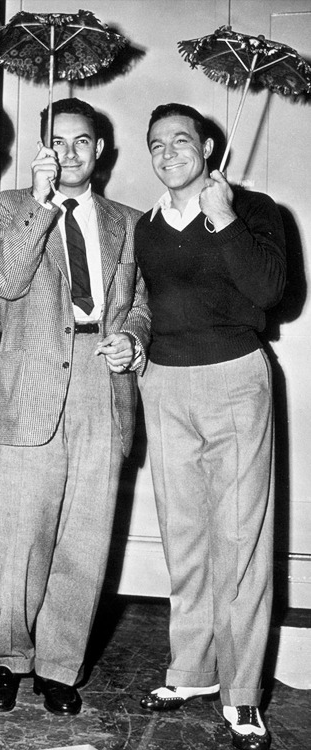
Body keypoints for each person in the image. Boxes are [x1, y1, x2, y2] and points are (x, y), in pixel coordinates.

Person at [0, 98, 150, 716]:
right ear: (43, 148)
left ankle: (58, 666)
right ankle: (3, 659)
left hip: (102, 383)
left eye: (84, 142)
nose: (72, 152)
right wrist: (41, 205)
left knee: (86, 532)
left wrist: (134, 338)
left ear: (100, 150)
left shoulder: (130, 221)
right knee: (18, 534)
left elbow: (139, 302)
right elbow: (5, 282)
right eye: (59, 141)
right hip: (33, 385)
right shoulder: (5, 208)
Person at [134, 103, 286, 750]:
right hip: (165, 385)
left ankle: (243, 692)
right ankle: (192, 671)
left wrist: (223, 219)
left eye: (181, 140)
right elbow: (136, 302)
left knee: (242, 543)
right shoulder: (144, 226)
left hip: (236, 382)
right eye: (156, 144)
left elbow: (271, 291)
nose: (169, 152)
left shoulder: (253, 210)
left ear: (208, 144)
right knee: (184, 536)